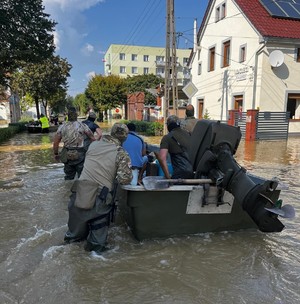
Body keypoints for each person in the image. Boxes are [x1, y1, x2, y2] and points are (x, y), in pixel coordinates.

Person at [64, 123, 132, 254]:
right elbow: (124, 179)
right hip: (99, 199)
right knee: (97, 247)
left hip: (78, 194)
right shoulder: (121, 153)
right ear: (124, 138)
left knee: (72, 240)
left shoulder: (93, 145)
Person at [53, 107, 95, 180]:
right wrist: (91, 151)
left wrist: (56, 153)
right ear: (76, 115)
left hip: (67, 154)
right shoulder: (82, 126)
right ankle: (80, 190)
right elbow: (92, 138)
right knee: (82, 177)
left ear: (68, 116)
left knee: (68, 178)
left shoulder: (62, 127)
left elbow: (56, 142)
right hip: (80, 154)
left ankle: (67, 190)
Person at [156, 115, 194, 179]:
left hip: (179, 175)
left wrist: (168, 177)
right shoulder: (189, 134)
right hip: (193, 174)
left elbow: (162, 158)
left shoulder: (167, 138)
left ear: (168, 125)